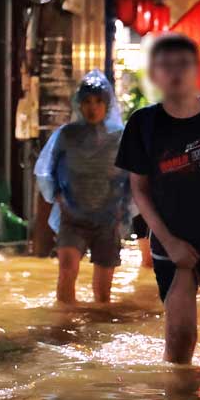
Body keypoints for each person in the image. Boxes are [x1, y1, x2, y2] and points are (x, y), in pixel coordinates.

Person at [116, 35, 200, 366]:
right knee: (180, 339)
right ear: (155, 73)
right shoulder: (143, 124)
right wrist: (169, 242)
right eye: (167, 65)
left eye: (183, 64)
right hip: (170, 240)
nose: (175, 73)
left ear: (197, 69)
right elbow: (140, 190)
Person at [34, 70, 129, 304]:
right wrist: (58, 198)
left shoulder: (120, 137)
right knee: (67, 271)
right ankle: (64, 329)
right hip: (72, 218)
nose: (92, 107)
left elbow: (134, 178)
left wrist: (124, 211)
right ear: (79, 104)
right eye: (86, 101)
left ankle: (96, 335)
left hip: (108, 221)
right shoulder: (66, 135)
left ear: (107, 104)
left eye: (98, 101)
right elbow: (46, 171)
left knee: (103, 292)